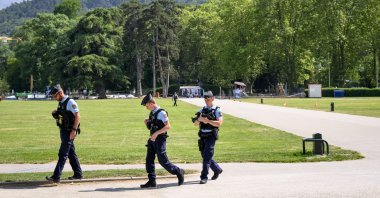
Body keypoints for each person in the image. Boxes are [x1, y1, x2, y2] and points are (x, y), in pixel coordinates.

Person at [140, 93, 185, 188]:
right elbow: (151, 127)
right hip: (152, 140)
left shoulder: (162, 113)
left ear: (151, 103)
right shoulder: (152, 112)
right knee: (149, 161)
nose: (146, 107)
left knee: (163, 161)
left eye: (146, 105)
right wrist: (146, 123)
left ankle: (178, 171)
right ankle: (152, 181)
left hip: (160, 140)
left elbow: (168, 126)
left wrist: (156, 134)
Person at [46, 84, 83, 183]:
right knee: (71, 153)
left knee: (63, 153)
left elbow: (77, 116)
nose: (54, 98)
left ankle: (56, 176)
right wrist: (57, 116)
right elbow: (63, 116)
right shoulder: (61, 102)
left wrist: (74, 130)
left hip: (69, 131)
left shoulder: (70, 102)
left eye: (55, 96)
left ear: (60, 93)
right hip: (63, 130)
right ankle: (78, 174)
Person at [193, 91, 223, 184]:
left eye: (208, 99)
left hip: (211, 136)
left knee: (206, 157)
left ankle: (204, 176)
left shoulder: (217, 110)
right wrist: (199, 119)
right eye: (205, 99)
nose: (206, 101)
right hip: (202, 135)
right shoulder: (202, 110)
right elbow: (195, 123)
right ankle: (217, 169)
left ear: (213, 98)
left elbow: (219, 123)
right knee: (205, 155)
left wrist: (208, 121)